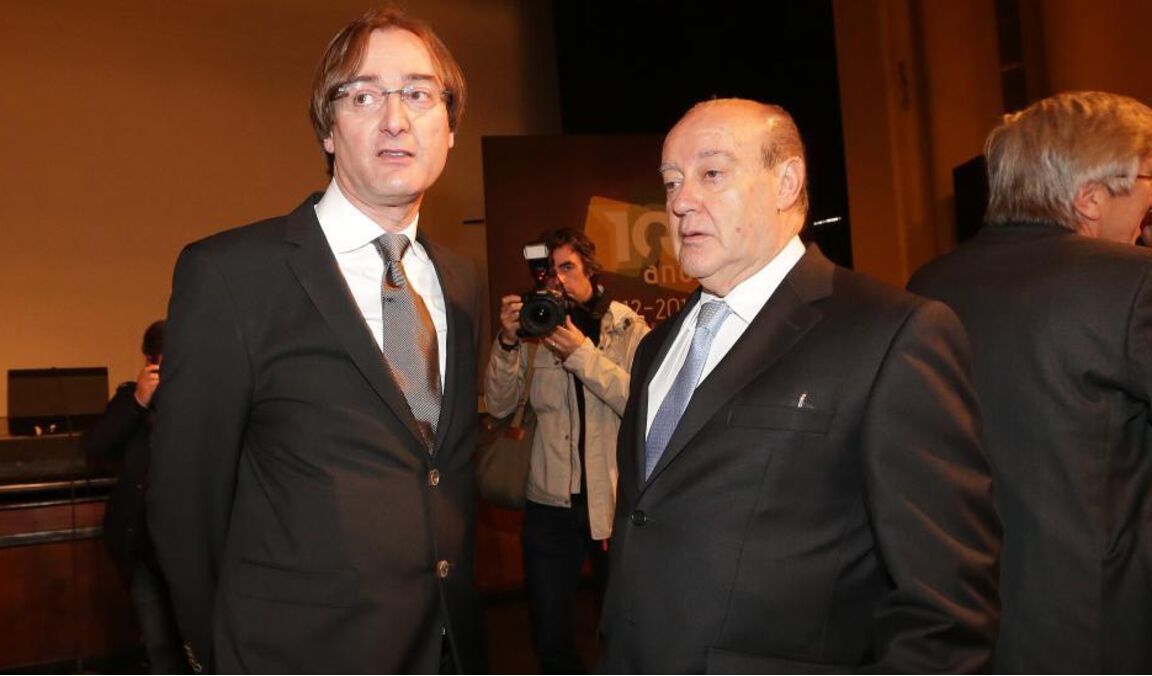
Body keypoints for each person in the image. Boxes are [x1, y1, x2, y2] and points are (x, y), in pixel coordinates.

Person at [599, 99, 1001, 673]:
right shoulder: (656, 347)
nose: (681, 201)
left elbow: (947, 611)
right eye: (671, 182)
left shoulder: (890, 334)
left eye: (711, 173)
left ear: (787, 182)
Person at [148, 8, 484, 673]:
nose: (396, 119)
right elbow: (185, 502)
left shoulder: (460, 282)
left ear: (449, 128)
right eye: (363, 96)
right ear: (328, 128)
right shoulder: (232, 277)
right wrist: (225, 653)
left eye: (419, 94)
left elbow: (439, 475)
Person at [908, 91, 1152, 672]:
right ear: (1091, 197)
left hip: (963, 627)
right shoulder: (1133, 285)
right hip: (1106, 634)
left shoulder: (927, 285)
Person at [485, 227, 649, 673]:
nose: (557, 279)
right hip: (548, 505)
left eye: (567, 267)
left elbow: (640, 404)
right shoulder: (536, 325)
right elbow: (498, 406)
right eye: (549, 270)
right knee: (549, 630)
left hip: (609, 503)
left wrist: (581, 354)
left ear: (590, 270)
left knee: (621, 624)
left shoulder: (626, 326)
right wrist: (508, 342)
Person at [82, 320, 188, 674]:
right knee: (159, 643)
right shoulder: (130, 400)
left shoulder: (199, 399)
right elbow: (96, 445)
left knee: (198, 640)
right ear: (150, 362)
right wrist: (139, 400)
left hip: (187, 544)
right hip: (142, 545)